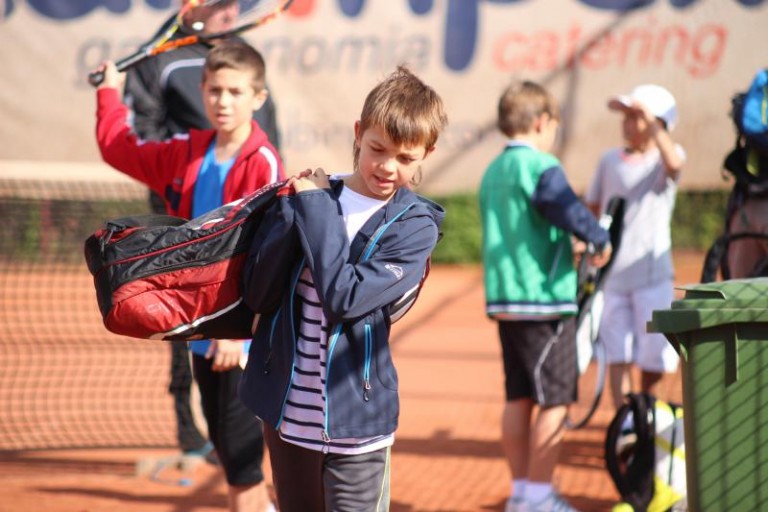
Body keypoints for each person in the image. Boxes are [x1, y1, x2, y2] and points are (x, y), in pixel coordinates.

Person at [237, 65, 447, 512]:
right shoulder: (311, 194)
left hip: (358, 426)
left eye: (406, 158)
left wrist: (314, 209)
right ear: (358, 133)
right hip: (287, 417)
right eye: (377, 149)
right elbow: (258, 294)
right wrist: (290, 212)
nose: (387, 167)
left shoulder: (415, 227)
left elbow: (344, 298)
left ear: (427, 153)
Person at [94, 39, 283, 512]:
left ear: (258, 97)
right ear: (202, 91)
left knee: (242, 463)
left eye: (236, 92)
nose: (224, 101)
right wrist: (110, 92)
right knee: (227, 452)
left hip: (239, 336)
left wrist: (241, 335)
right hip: (199, 329)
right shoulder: (188, 151)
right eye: (215, 90)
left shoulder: (263, 161)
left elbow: (267, 254)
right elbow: (119, 147)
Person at [478, 80, 612, 512]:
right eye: (554, 125)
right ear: (541, 122)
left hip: (506, 302)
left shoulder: (492, 171)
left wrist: (566, 240)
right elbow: (565, 208)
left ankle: (521, 492)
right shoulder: (541, 166)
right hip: (544, 302)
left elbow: (530, 225)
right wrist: (597, 237)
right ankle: (539, 497)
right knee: (555, 401)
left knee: (518, 398)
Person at [584, 84, 685, 411]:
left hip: (653, 279)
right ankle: (626, 423)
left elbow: (674, 164)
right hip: (612, 279)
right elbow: (593, 207)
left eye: (635, 117)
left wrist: (653, 121)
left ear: (658, 123)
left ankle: (649, 418)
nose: (627, 123)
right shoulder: (608, 161)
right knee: (618, 355)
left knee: (654, 357)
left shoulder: (667, 159)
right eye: (625, 116)